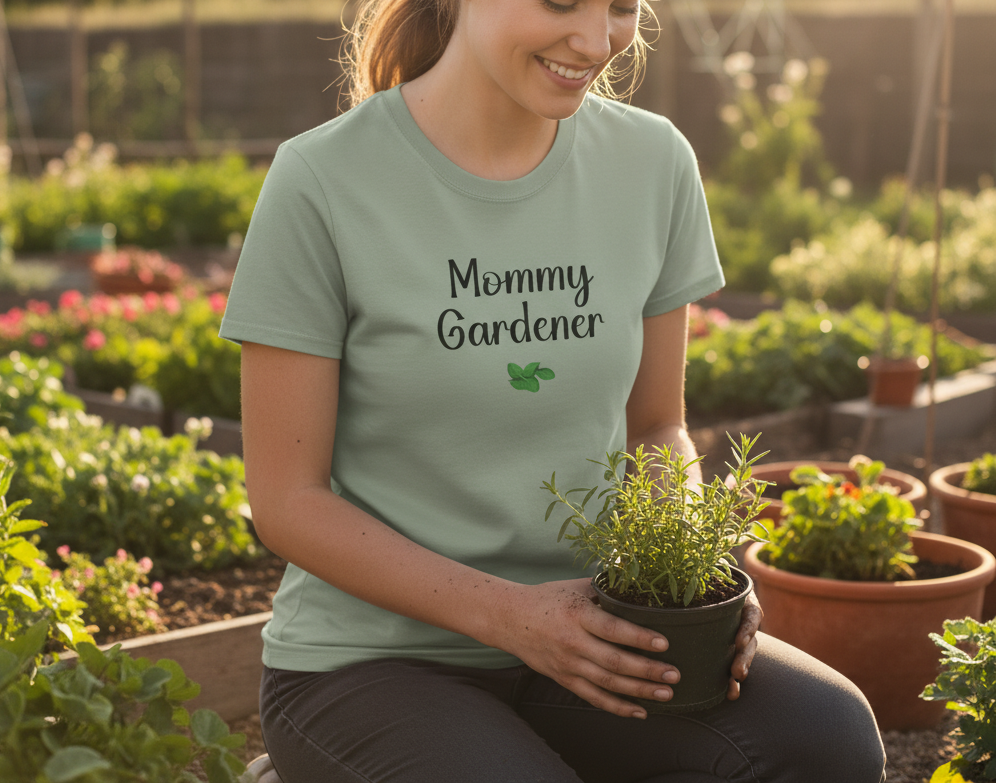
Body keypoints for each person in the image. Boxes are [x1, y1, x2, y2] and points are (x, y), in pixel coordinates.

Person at [219, 0, 888, 779]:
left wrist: (689, 586)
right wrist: (514, 617)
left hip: (595, 636)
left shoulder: (651, 161)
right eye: (562, 2)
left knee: (827, 739)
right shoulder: (323, 180)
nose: (596, 39)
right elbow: (287, 501)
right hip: (371, 662)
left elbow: (656, 427)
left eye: (621, 7)